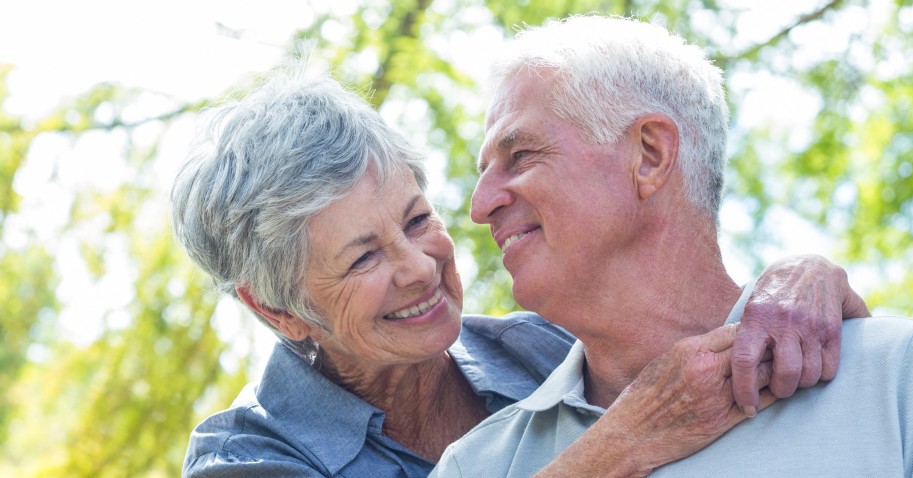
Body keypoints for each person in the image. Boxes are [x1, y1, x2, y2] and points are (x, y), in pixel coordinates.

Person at [172, 71, 869, 477]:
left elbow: (713, 340)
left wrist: (797, 281)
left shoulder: (539, 348)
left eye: (417, 221)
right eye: (363, 257)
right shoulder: (247, 458)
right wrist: (621, 446)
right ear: (277, 310)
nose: (420, 269)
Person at [432, 15, 913, 477]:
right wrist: (614, 451)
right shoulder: (476, 465)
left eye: (522, 156)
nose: (479, 206)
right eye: (485, 172)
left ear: (650, 155)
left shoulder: (894, 376)